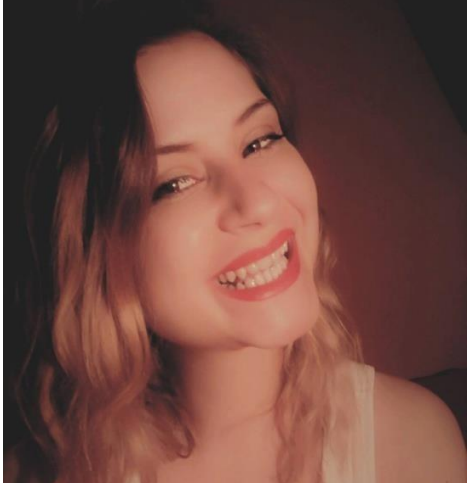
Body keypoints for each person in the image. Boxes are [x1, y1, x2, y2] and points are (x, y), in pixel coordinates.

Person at [5, 1, 466, 482]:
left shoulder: (413, 444)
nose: (258, 203)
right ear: (94, 252)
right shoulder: (30, 472)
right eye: (175, 183)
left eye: (259, 140)